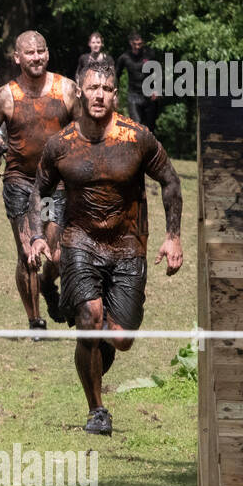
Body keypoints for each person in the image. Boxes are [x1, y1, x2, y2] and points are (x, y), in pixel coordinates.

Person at [23, 58, 183, 435]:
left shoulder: (136, 137)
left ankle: (94, 344)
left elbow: (172, 181)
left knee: (121, 338)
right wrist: (34, 236)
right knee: (90, 319)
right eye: (93, 88)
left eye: (107, 89)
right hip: (80, 241)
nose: (99, 95)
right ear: (80, 91)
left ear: (115, 94)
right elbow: (38, 192)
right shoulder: (60, 144)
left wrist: (173, 236)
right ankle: (97, 410)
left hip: (128, 247)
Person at [0, 31, 80, 334]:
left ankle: (49, 284)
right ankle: (35, 321)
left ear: (48, 54)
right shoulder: (6, 95)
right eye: (29, 53)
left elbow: (86, 130)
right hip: (19, 181)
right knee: (28, 252)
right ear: (17, 58)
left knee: (56, 254)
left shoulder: (66, 90)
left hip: (55, 185)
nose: (36, 57)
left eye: (41, 51)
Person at [115, 31, 160, 133]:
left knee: (150, 127)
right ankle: (138, 148)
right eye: (135, 44)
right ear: (130, 43)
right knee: (137, 125)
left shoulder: (149, 55)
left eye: (139, 44)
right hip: (133, 95)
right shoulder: (124, 57)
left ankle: (150, 148)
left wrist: (157, 89)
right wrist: (115, 94)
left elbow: (158, 72)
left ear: (142, 43)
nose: (137, 47)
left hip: (149, 95)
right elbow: (116, 75)